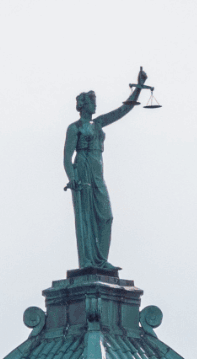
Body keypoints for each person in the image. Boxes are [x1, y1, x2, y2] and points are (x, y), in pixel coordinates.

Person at [64, 70, 150, 270]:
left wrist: (138, 89)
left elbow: (122, 110)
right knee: (86, 219)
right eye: (92, 102)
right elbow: (67, 157)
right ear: (83, 105)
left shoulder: (99, 123)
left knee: (106, 217)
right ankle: (88, 262)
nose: (95, 105)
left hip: (98, 172)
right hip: (83, 170)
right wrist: (73, 177)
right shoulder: (74, 128)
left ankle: (101, 260)